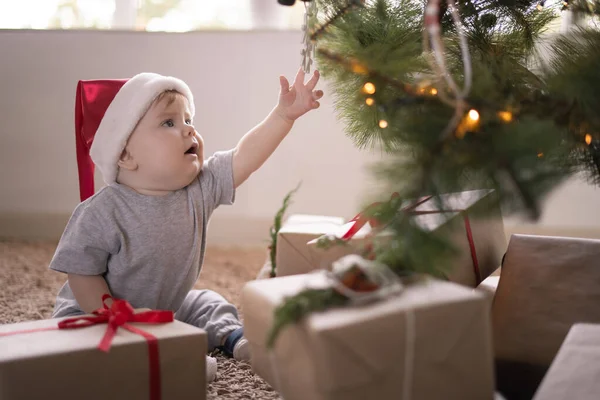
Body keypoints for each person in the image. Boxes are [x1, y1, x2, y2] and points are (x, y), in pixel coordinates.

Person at [49, 69, 323, 381]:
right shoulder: (103, 211)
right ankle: (176, 360)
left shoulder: (199, 189)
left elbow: (244, 156)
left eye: (188, 120)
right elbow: (82, 272)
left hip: (166, 306)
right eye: (169, 122)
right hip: (96, 313)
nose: (189, 131)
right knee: (95, 350)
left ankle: (232, 338)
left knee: (207, 302)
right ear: (125, 154)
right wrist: (112, 311)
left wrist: (283, 116)